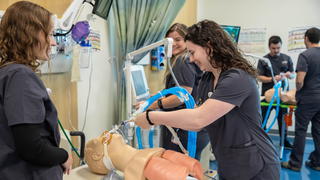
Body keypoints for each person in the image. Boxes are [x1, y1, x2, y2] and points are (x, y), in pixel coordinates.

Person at [134, 20, 280, 180]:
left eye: (192, 52)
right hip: (228, 162)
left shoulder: (237, 78)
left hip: (256, 165)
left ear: (209, 47)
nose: (190, 59)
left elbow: (198, 120)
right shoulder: (207, 79)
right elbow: (196, 116)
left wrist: (151, 117)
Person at [0, 1, 72, 179]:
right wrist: (63, 155)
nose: (54, 43)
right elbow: (31, 147)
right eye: (49, 34)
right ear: (30, 35)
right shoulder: (19, 76)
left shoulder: (9, 73)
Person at [144, 23, 209, 160]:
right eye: (169, 40)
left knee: (177, 170)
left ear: (187, 40)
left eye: (178, 39)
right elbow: (177, 89)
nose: (173, 44)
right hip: (194, 129)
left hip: (183, 130)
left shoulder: (183, 61)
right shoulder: (182, 60)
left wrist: (153, 105)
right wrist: (154, 97)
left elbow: (181, 96)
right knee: (188, 169)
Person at [282, 27, 320, 171]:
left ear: (306, 39)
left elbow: (299, 81)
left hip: (308, 99)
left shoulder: (305, 55)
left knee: (301, 131)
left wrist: (297, 92)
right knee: (318, 131)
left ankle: (294, 164)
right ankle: (317, 162)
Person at [257, 35, 295, 149]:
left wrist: (289, 75)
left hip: (283, 96)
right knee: (262, 119)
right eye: (273, 48)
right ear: (269, 47)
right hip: (267, 96)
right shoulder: (264, 60)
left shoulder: (286, 58)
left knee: (283, 119)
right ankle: (260, 141)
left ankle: (284, 140)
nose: (276, 50)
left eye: (278, 48)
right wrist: (272, 79)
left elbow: (293, 75)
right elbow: (259, 77)